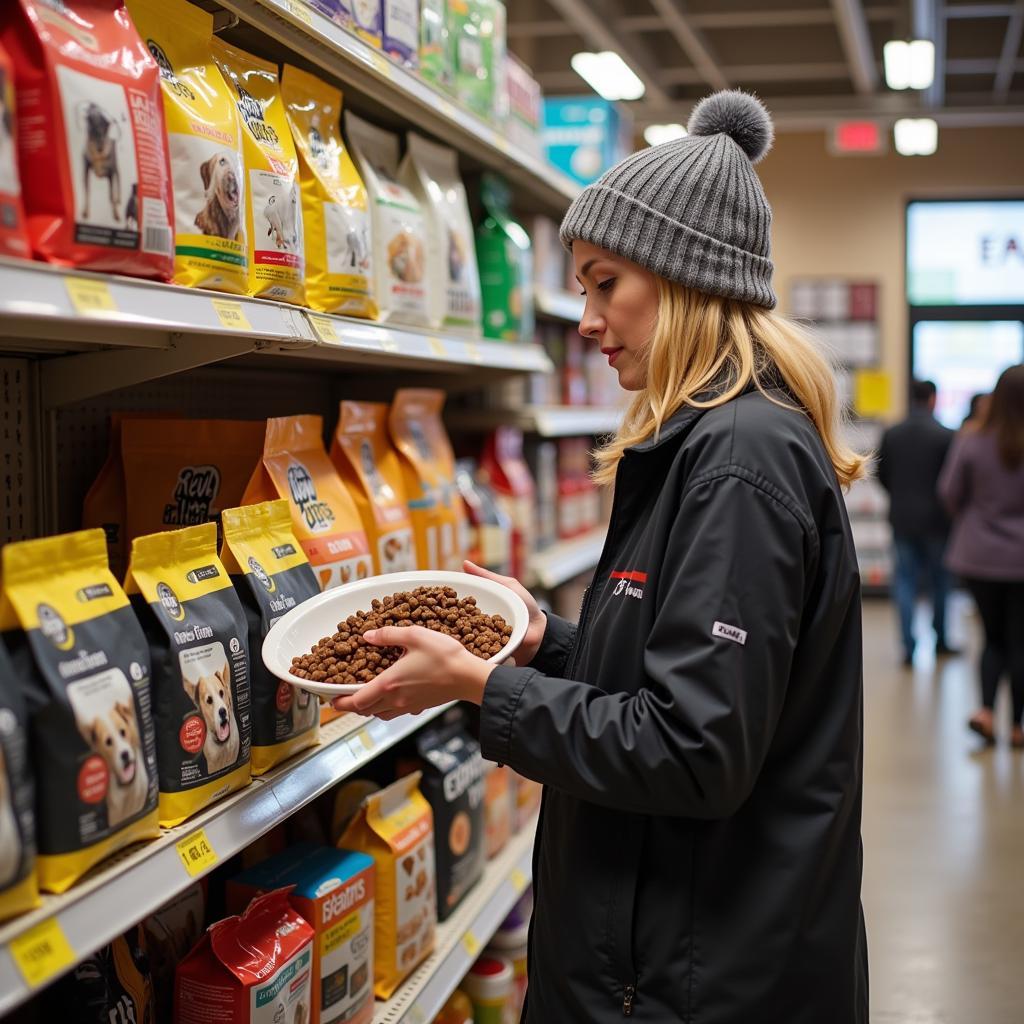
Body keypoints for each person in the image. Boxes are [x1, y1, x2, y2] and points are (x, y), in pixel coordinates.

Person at [334, 91, 869, 1022]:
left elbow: (693, 753)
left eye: (603, 282)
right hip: (682, 956)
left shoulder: (737, 460)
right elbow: (686, 684)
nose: (585, 318)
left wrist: (479, 687)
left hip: (694, 982)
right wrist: (546, 643)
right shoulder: (707, 442)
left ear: (686, 276)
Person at [939, 364, 1024, 747]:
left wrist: (977, 519)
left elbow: (949, 492)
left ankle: (987, 713)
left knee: (992, 638)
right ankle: (1019, 726)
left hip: (980, 556)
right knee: (1021, 641)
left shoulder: (972, 439)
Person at [876, 379, 957, 665]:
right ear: (933, 399)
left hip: (902, 518)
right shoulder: (946, 436)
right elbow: (953, 482)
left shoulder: (893, 434)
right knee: (940, 582)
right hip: (938, 521)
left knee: (905, 582)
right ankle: (941, 639)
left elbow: (881, 474)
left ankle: (908, 647)